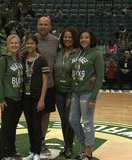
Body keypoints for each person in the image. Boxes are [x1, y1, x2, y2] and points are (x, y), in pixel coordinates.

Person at [69, 29, 104, 160]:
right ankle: (84, 145)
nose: (83, 40)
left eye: (86, 38)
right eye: (82, 38)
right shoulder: (77, 53)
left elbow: (100, 77)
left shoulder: (96, 54)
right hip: (75, 92)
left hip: (88, 93)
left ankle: (88, 151)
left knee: (88, 122)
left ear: (91, 39)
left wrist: (93, 98)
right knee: (72, 120)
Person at [0, 34, 23, 160]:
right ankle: (0, 154)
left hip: (19, 98)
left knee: (13, 126)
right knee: (5, 127)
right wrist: (1, 98)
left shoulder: (19, 60)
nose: (14, 45)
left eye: (16, 43)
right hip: (8, 99)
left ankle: (11, 151)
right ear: (8, 45)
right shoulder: (3, 60)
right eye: (12, 43)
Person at [22, 34, 50, 160]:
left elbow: (45, 81)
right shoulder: (23, 58)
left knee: (37, 125)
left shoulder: (42, 60)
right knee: (29, 124)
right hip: (25, 97)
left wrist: (42, 99)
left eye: (32, 43)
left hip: (37, 97)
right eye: (27, 43)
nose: (29, 46)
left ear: (36, 45)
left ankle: (38, 153)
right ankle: (32, 151)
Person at [36, 16, 58, 156]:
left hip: (49, 85)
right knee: (32, 116)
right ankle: (34, 141)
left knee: (45, 116)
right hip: (32, 86)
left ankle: (42, 141)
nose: (43, 26)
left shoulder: (56, 41)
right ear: (37, 26)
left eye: (45, 24)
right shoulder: (30, 39)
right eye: (40, 24)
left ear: (50, 26)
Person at [54, 26, 78, 158]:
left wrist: (71, 94)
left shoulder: (78, 53)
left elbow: (77, 75)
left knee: (70, 120)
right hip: (58, 91)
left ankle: (69, 146)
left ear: (74, 39)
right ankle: (66, 145)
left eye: (69, 36)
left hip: (71, 92)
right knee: (63, 120)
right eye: (65, 37)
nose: (67, 39)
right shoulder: (58, 52)